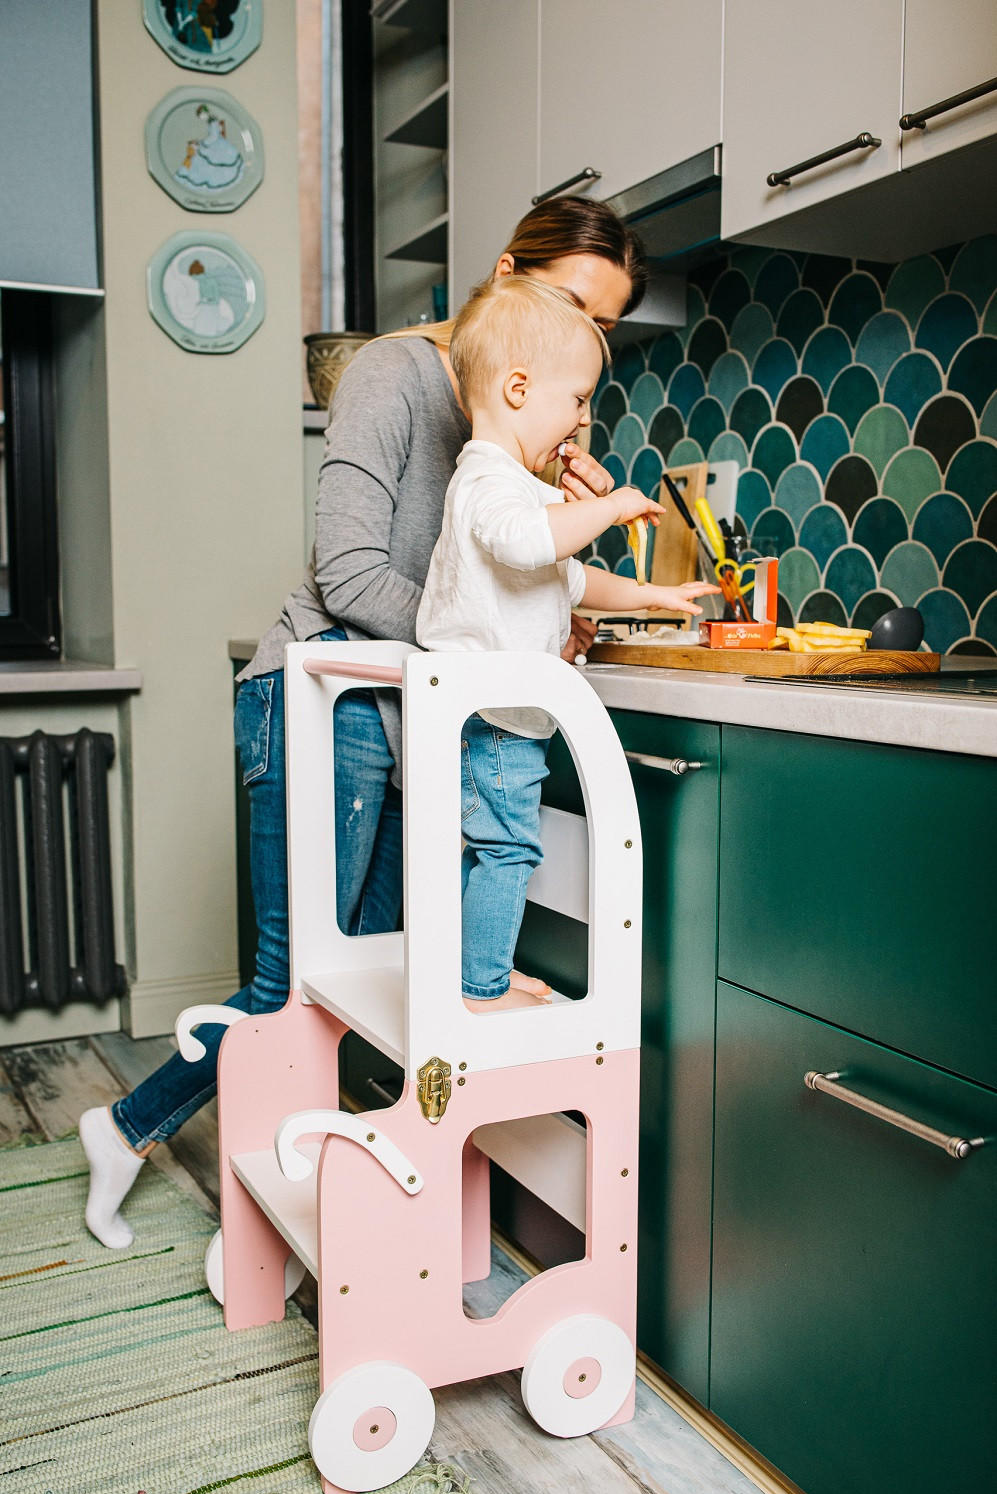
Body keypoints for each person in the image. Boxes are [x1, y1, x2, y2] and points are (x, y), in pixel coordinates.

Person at [78, 196, 650, 1250]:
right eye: (571, 303)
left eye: (602, 325)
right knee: (294, 982)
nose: (583, 334)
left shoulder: (521, 411)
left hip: (407, 711)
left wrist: (557, 500)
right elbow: (348, 575)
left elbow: (499, 570)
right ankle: (134, 1132)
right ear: (505, 274)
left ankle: (295, 1196)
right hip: (318, 696)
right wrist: (487, 646)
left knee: (369, 982)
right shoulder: (393, 374)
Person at [416, 276, 719, 1011]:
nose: (584, 419)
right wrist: (609, 506)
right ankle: (479, 990)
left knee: (489, 848)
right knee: (507, 850)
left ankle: (469, 975)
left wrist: (649, 595)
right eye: (579, 399)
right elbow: (530, 543)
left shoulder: (515, 487)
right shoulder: (490, 482)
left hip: (494, 717)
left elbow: (569, 577)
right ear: (518, 388)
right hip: (492, 720)